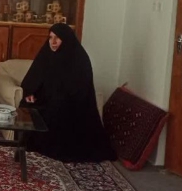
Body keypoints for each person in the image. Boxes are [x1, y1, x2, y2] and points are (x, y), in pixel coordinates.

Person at [19, 23, 116, 162]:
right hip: (47, 99)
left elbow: (81, 89)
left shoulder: (79, 58)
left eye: (57, 38)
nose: (53, 42)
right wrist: (31, 94)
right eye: (50, 37)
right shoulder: (46, 54)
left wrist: (57, 97)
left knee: (58, 108)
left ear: (66, 39)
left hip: (73, 104)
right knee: (29, 105)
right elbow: (33, 79)